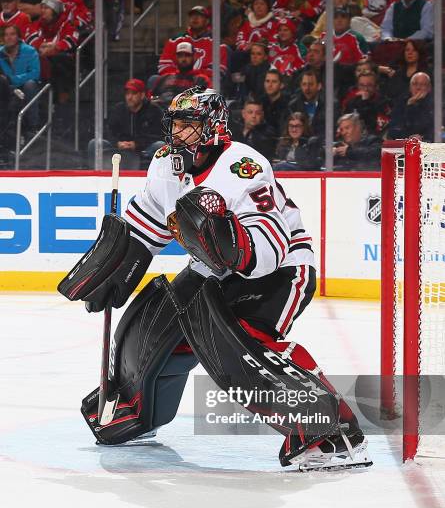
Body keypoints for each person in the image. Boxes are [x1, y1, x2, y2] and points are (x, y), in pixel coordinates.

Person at [58, 85, 371, 472]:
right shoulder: (165, 164)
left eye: (188, 126)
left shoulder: (243, 166)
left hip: (281, 268)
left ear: (213, 128)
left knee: (233, 336)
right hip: (212, 266)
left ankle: (329, 429)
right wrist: (118, 267)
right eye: (175, 126)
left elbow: (268, 250)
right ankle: (133, 408)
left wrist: (227, 239)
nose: (177, 135)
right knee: (156, 322)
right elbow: (147, 225)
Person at [88, 78, 163, 170]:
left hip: (143, 150)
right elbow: (108, 131)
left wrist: (137, 144)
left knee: (160, 145)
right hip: (119, 148)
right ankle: (95, 176)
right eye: (127, 94)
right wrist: (117, 143)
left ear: (142, 95)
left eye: (133, 93)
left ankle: (155, 177)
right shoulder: (118, 109)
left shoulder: (154, 110)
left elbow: (157, 135)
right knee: (94, 143)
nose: (129, 97)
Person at [25, 0, 79, 103]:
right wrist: (40, 47)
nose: (43, 11)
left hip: (61, 59)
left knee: (60, 59)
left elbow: (72, 40)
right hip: (41, 56)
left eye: (47, 8)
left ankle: (62, 93)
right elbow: (29, 37)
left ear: (55, 11)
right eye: (42, 8)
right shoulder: (37, 23)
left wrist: (55, 47)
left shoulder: (66, 23)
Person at [0, 23, 40, 131]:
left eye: (12, 34)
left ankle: (33, 126)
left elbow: (35, 73)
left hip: (24, 86)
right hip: (6, 87)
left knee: (30, 84)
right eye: (6, 35)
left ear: (18, 37)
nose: (9, 37)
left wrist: (13, 79)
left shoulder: (30, 51)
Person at [148, 42, 210, 108]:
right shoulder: (165, 77)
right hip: (162, 112)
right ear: (176, 58)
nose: (183, 59)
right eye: (180, 56)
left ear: (194, 57)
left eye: (187, 55)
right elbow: (150, 97)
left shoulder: (201, 79)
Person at [342, 70, 392, 136]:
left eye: (369, 85)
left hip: (375, 138)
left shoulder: (384, 102)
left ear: (376, 86)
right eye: (362, 85)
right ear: (357, 86)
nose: (365, 89)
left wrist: (365, 101)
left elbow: (372, 124)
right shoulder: (351, 103)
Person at [388, 71, 433, 142]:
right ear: (410, 87)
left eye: (422, 84)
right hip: (404, 144)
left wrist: (422, 138)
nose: (418, 87)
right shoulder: (401, 103)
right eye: (415, 84)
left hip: (430, 145)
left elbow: (437, 130)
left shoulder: (435, 105)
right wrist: (410, 106)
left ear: (429, 88)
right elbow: (394, 130)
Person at [288, 68, 328, 138]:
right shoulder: (293, 106)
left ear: (319, 86)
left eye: (311, 84)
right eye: (304, 84)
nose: (307, 88)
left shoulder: (330, 105)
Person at [260, 68, 290, 136]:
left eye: (274, 81)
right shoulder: (260, 102)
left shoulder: (288, 104)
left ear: (281, 85)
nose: (270, 85)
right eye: (267, 81)